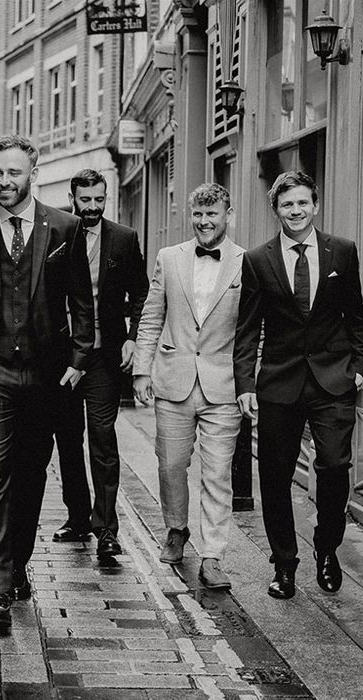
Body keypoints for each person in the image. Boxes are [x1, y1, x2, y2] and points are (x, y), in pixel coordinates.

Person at [0, 134, 94, 627]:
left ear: (34, 173)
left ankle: (18, 561)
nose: (3, 182)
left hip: (47, 372)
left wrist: (79, 356)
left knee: (30, 476)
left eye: (13, 173)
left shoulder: (65, 228)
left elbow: (81, 300)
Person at [234, 171, 363, 599]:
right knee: (274, 476)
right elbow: (247, 329)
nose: (295, 211)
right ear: (276, 209)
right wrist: (245, 383)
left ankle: (327, 547)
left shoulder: (342, 253)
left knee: (333, 467)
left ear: (315, 205)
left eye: (302, 203)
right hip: (279, 384)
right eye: (287, 205)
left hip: (333, 381)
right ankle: (284, 564)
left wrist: (358, 367)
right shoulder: (257, 259)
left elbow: (356, 317)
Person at [133, 183, 243, 591]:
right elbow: (150, 315)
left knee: (217, 474)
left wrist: (251, 381)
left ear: (227, 215)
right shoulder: (169, 257)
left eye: (212, 214)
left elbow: (255, 331)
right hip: (173, 379)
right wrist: (141, 370)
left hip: (223, 386)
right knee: (170, 465)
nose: (204, 222)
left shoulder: (246, 263)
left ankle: (213, 555)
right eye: (198, 215)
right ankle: (176, 529)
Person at [52, 169, 148, 560]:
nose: (93, 208)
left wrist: (132, 337)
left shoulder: (124, 239)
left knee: (103, 439)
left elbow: (141, 293)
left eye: (99, 200)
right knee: (68, 439)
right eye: (86, 200)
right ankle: (77, 518)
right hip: (62, 359)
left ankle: (107, 527)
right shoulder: (56, 234)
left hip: (105, 357)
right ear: (73, 198)